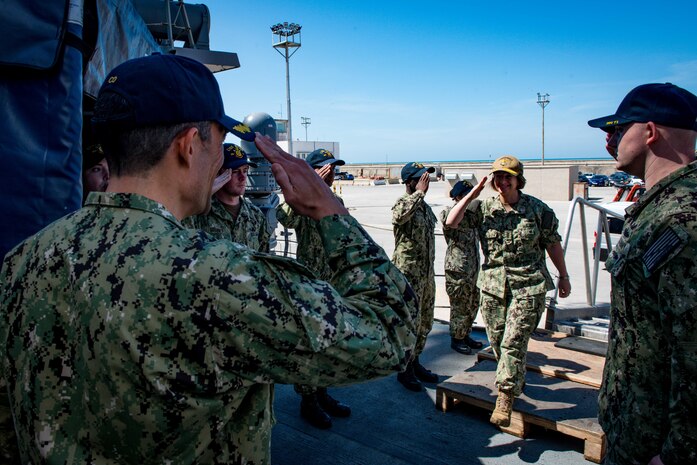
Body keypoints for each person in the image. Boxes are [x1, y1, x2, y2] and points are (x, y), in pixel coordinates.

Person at [0, 54, 418, 465]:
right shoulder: (216, 276)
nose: (220, 159)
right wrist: (332, 213)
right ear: (188, 145)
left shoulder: (22, 261)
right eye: (218, 143)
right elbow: (390, 333)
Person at [588, 82, 697, 465]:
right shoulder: (656, 208)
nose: (608, 142)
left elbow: (693, 351)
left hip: (655, 447)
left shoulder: (684, 219)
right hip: (632, 431)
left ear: (650, 132)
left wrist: (677, 454)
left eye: (617, 131)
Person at [445, 155, 570, 427]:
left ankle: (504, 396)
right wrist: (473, 195)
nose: (502, 182)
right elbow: (452, 222)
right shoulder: (483, 208)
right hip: (492, 286)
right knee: (500, 341)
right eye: (498, 177)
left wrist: (564, 275)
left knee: (513, 340)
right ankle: (515, 379)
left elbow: (553, 244)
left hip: (529, 284)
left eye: (507, 177)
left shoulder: (538, 210)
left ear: (518, 179)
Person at [276, 148, 352, 429]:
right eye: (326, 169)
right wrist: (304, 186)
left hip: (332, 285)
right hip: (309, 285)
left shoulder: (337, 199)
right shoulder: (301, 200)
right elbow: (284, 217)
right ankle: (308, 400)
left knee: (329, 343)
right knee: (309, 346)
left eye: (333, 168)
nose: (331, 173)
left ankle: (323, 392)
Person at [392, 162, 439, 392]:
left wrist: (421, 197)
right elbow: (399, 216)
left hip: (426, 275)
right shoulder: (404, 203)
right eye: (421, 178)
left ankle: (416, 361)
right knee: (408, 323)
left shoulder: (425, 208)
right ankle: (404, 369)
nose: (425, 181)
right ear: (410, 182)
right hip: (408, 275)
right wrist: (418, 194)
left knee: (425, 321)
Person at [185, 143, 270, 252]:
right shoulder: (199, 211)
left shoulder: (256, 216)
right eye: (235, 171)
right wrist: (206, 191)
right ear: (217, 174)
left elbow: (263, 259)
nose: (243, 177)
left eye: (245, 170)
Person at [440, 180, 483, 355]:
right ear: (458, 196)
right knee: (459, 304)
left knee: (472, 303)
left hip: (472, 267)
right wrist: (468, 198)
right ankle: (456, 339)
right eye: (466, 194)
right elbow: (451, 223)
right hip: (457, 268)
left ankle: (465, 334)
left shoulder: (472, 214)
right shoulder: (449, 212)